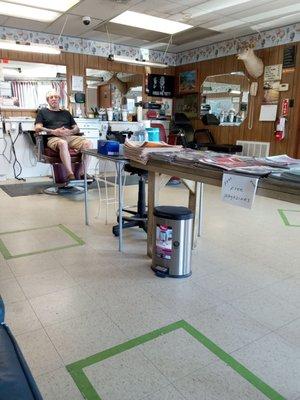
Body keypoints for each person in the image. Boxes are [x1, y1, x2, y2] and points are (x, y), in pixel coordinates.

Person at [35, 90, 93, 181]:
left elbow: (77, 128)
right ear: (48, 100)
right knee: (63, 143)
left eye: (56, 97)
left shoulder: (66, 113)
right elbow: (38, 128)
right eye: (51, 97)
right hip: (53, 138)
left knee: (88, 143)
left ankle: (82, 173)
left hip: (69, 136)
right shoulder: (42, 112)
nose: (54, 99)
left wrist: (70, 131)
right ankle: (70, 174)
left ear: (59, 99)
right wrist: (54, 131)